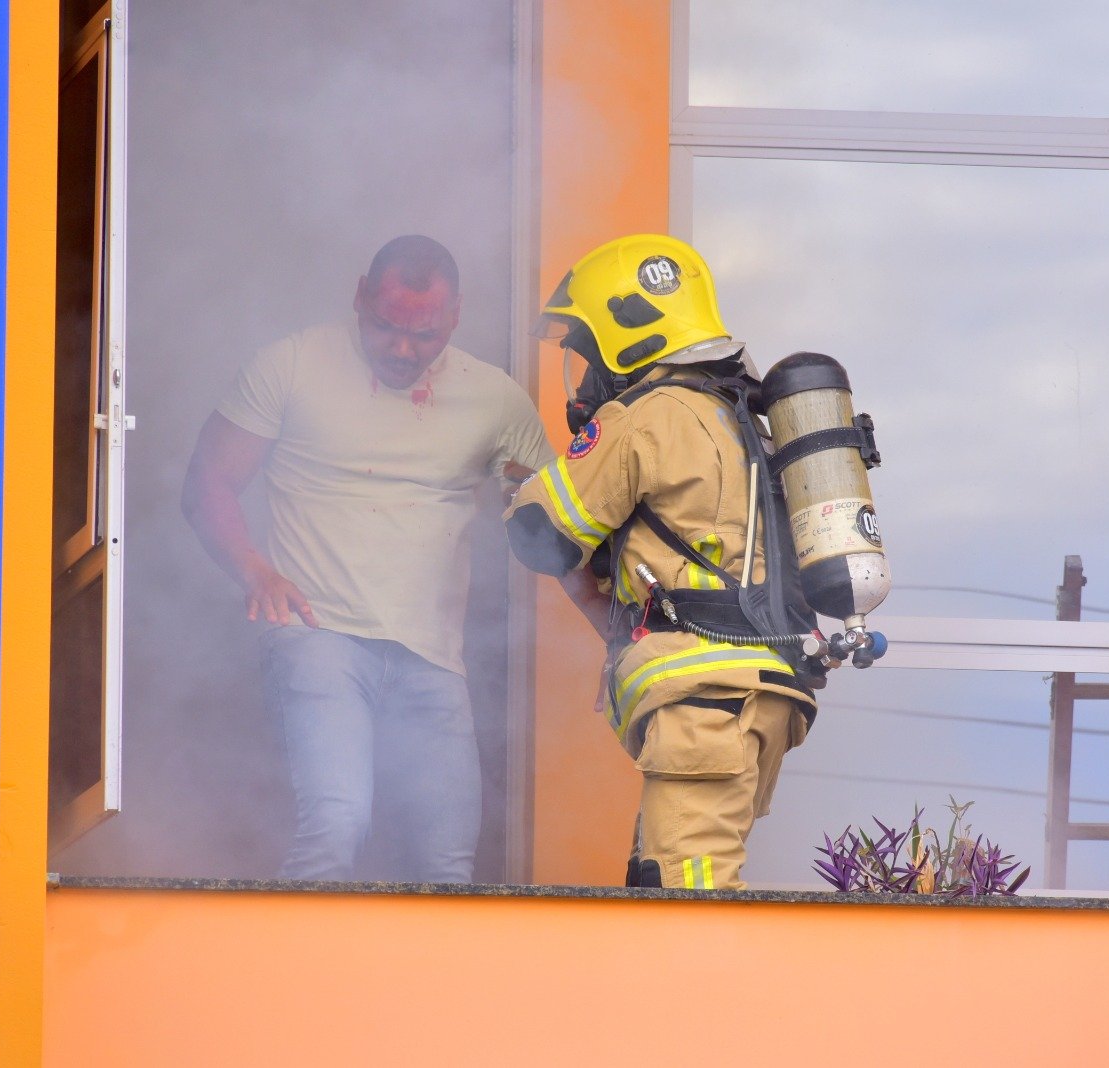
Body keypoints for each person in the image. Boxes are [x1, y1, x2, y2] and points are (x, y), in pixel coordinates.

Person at [182, 234, 553, 882]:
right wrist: (255, 570)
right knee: (337, 822)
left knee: (449, 861)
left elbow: (557, 523)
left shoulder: (494, 399)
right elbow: (206, 482)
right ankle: (297, 953)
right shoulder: (292, 364)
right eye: (386, 327)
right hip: (316, 635)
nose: (403, 349)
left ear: (456, 317)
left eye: (424, 335)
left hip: (433, 657)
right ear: (359, 297)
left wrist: (614, 629)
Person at [504, 233, 819, 891]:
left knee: (687, 895)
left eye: (586, 353)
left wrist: (516, 489)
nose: (584, 379)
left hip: (705, 702)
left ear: (626, 336)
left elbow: (542, 534)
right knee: (659, 879)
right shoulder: (737, 418)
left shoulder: (647, 415)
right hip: (753, 693)